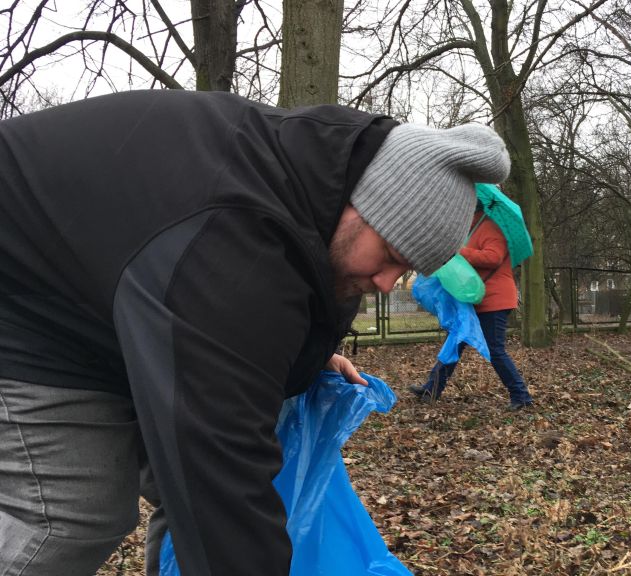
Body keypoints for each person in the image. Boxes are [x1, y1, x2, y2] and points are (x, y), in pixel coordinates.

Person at [0, 90, 511, 576]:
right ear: (364, 205)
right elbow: (220, 471)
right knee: (70, 510)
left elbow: (268, 312)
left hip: (97, 305)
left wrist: (307, 358)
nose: (385, 283)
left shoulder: (300, 188)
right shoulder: (231, 238)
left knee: (177, 488)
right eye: (393, 257)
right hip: (24, 297)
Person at [407, 208, 534, 411]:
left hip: (495, 300)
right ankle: (431, 390)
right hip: (474, 300)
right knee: (455, 343)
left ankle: (521, 396)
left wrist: (461, 252)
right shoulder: (470, 229)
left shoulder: (492, 227)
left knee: (495, 349)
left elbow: (493, 257)